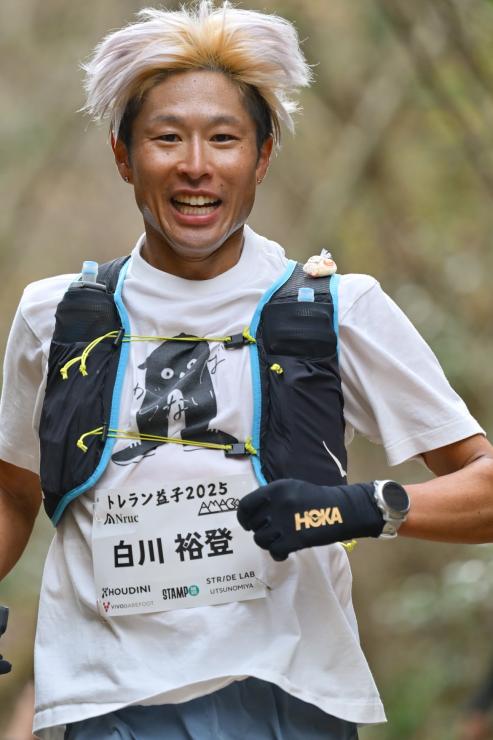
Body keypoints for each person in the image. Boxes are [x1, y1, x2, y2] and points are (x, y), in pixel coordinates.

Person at [0, 2, 492, 738]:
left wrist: (355, 508)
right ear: (123, 156)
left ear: (261, 157)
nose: (196, 165)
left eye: (224, 138)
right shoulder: (55, 316)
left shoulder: (339, 309)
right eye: (167, 137)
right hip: (104, 701)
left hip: (289, 695)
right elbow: (12, 493)